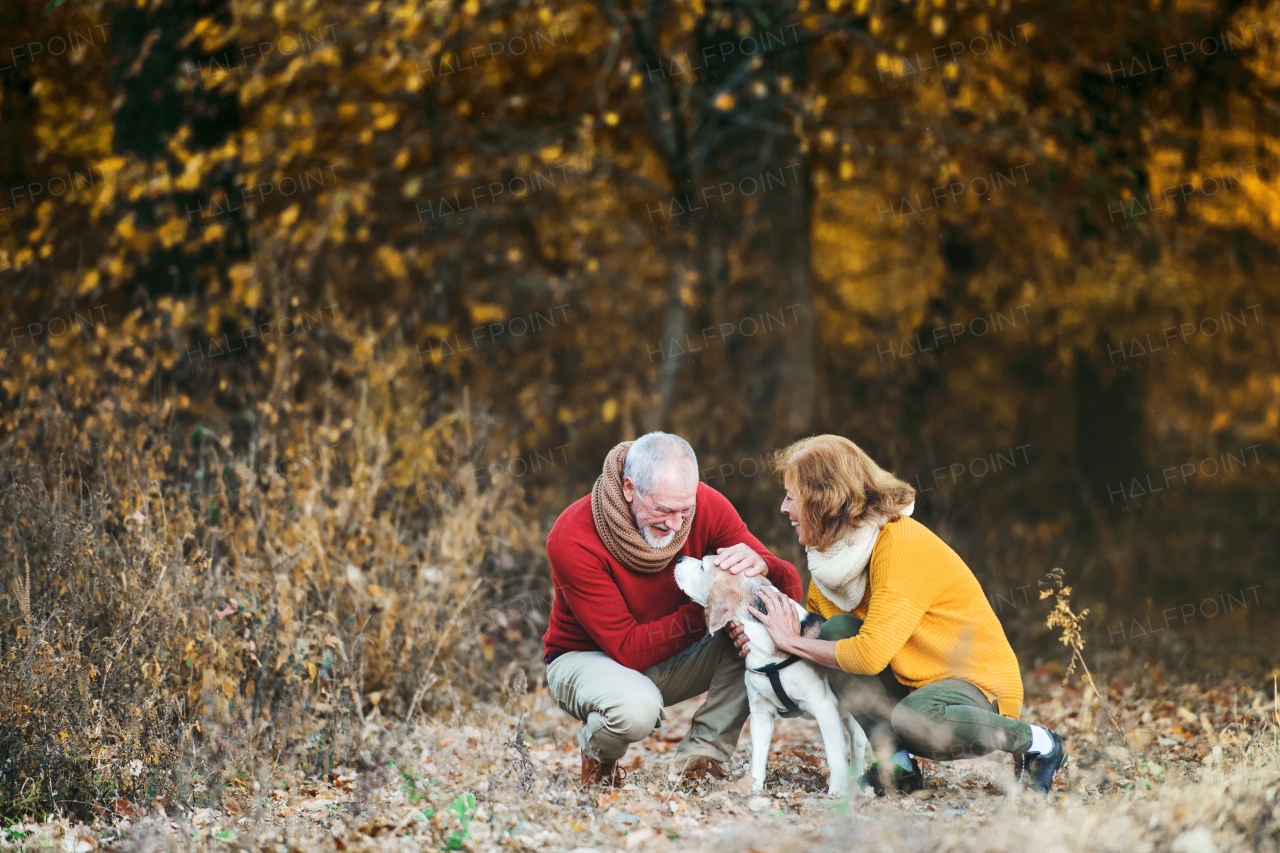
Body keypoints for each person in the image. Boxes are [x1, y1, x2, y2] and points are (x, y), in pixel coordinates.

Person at [741, 434, 1068, 795]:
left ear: (824, 499)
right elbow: (814, 643)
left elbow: (867, 655)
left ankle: (1040, 742)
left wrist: (788, 640)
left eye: (792, 496)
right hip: (910, 682)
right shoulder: (831, 568)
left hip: (973, 687)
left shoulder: (899, 544)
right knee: (836, 631)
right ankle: (896, 767)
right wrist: (759, 638)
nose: (784, 508)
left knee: (914, 715)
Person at [542, 432, 801, 786]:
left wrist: (767, 567)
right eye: (663, 510)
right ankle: (597, 754)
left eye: (685, 510)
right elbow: (628, 649)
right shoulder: (572, 538)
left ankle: (700, 761)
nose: (677, 524)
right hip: (587, 657)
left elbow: (785, 595)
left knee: (754, 631)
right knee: (637, 709)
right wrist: (717, 606)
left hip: (670, 653)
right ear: (630, 489)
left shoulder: (704, 504)